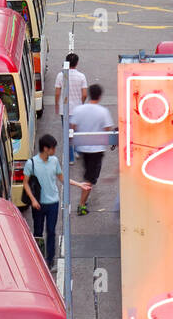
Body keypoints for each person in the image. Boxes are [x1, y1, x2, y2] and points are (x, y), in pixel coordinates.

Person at [70, 85, 114, 215]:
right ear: (100, 96)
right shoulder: (102, 111)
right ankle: (81, 205)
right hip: (96, 149)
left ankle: (84, 199)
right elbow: (107, 128)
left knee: (88, 174)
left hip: (83, 147)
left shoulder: (79, 110)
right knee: (90, 178)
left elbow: (73, 126)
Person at [23, 135, 64, 270]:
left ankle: (50, 260)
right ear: (46, 148)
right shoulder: (31, 163)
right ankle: (39, 259)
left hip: (53, 202)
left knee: (51, 231)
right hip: (39, 204)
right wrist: (33, 200)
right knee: (38, 232)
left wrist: (79, 185)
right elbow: (26, 184)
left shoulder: (54, 161)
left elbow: (62, 178)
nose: (55, 150)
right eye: (53, 148)